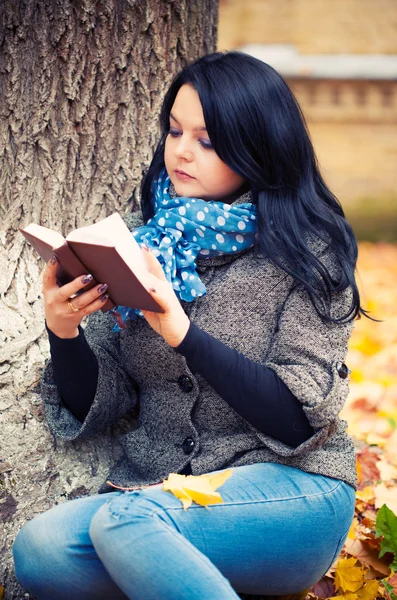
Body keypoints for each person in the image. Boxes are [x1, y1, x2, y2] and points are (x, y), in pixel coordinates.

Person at [13, 51, 362, 600]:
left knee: (127, 523)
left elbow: (298, 422)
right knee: (41, 550)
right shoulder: (142, 238)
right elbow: (102, 405)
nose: (181, 151)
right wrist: (64, 332)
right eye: (175, 130)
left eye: (207, 139)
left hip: (291, 488)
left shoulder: (308, 250)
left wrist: (183, 333)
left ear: (257, 144)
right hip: (159, 494)